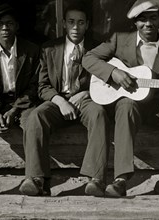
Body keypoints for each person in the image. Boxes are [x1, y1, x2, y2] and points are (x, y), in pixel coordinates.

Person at [82, 0, 159, 198]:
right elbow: (88, 58)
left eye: (152, 18)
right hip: (130, 104)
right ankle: (120, 179)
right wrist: (114, 73)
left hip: (158, 103)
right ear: (135, 23)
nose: (148, 24)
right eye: (142, 20)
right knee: (125, 104)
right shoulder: (119, 38)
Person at [18, 2, 109, 196]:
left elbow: (107, 81)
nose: (76, 27)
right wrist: (60, 101)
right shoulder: (49, 49)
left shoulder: (99, 48)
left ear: (88, 24)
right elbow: (42, 86)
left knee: (99, 114)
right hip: (58, 98)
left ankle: (96, 178)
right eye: (71, 22)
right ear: (64, 24)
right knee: (36, 116)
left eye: (81, 23)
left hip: (86, 98)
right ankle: (36, 178)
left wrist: (88, 94)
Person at [0, 4, 39, 171]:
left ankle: (35, 179)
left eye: (9, 23)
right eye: (0, 24)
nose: (5, 28)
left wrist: (14, 110)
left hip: (22, 104)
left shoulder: (31, 51)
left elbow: (35, 86)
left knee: (35, 124)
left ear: (17, 26)